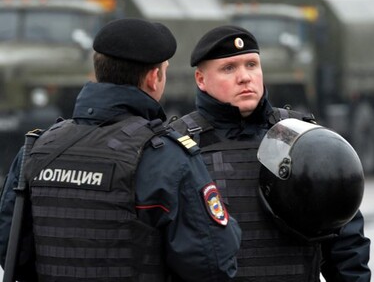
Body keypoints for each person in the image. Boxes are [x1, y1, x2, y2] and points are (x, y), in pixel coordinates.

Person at [0, 18, 241, 282]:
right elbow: (212, 263)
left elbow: (10, 250)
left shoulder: (36, 150)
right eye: (165, 70)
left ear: (98, 72)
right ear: (154, 78)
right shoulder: (165, 158)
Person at [169, 25, 371, 282]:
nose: (244, 77)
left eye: (251, 65)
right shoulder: (177, 146)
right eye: (228, 68)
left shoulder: (302, 138)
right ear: (201, 79)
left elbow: (345, 242)